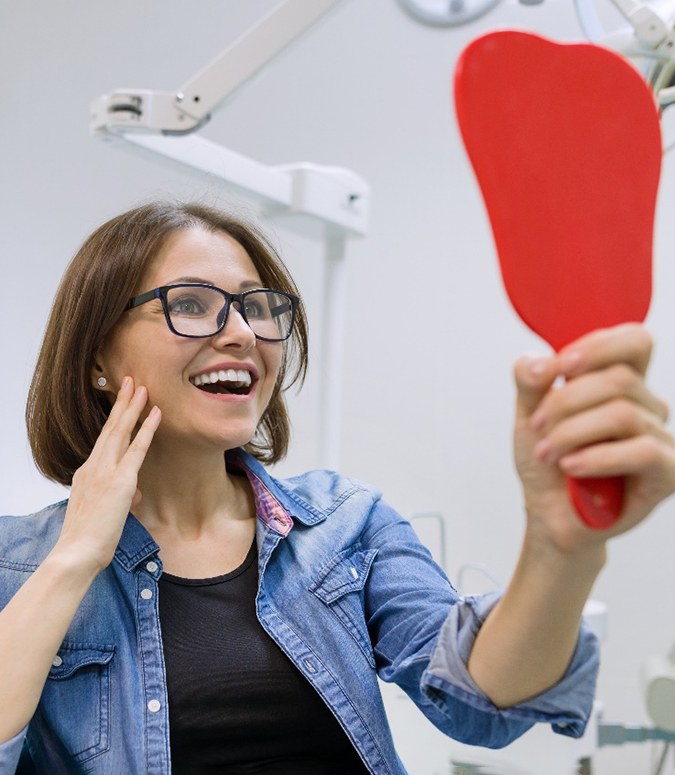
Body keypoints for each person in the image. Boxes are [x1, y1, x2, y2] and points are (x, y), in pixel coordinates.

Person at [0, 201, 673, 775]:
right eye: (191, 305)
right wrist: (76, 554)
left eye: (257, 307)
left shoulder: (344, 525)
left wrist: (561, 547)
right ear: (96, 359)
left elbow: (481, 701)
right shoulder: (16, 564)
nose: (240, 332)